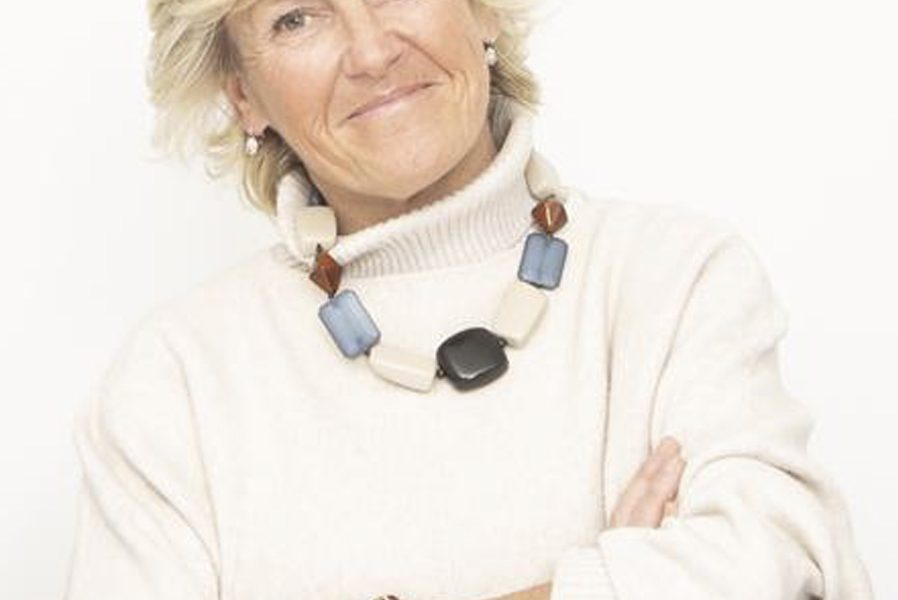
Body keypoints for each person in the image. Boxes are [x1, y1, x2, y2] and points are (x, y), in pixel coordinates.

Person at [64, 0, 874, 599]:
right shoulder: (174, 381)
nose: (371, 51)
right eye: (295, 18)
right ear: (243, 95)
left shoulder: (677, 279)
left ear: (483, 9)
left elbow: (786, 565)